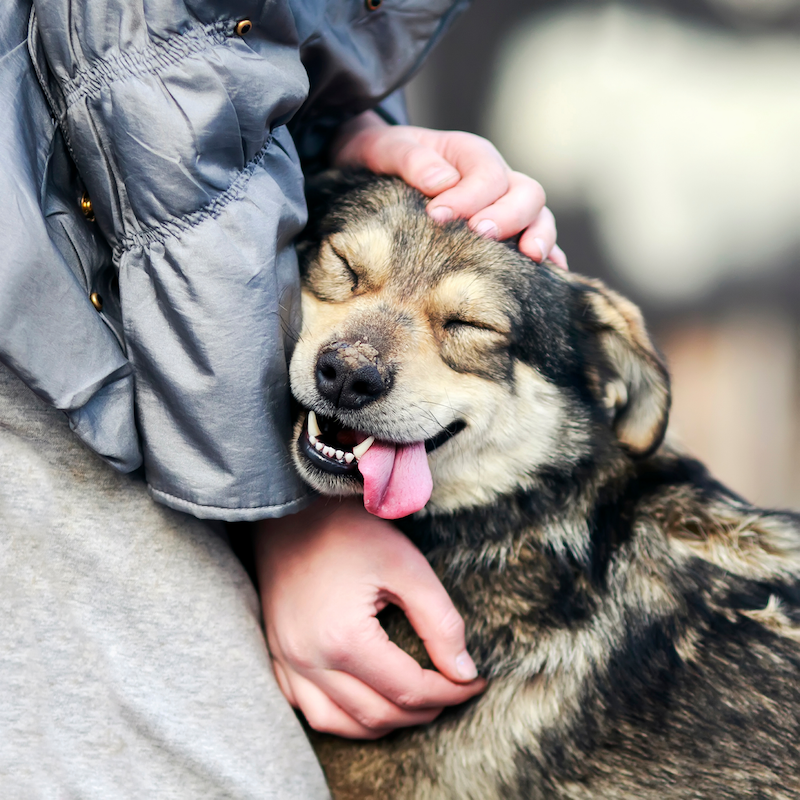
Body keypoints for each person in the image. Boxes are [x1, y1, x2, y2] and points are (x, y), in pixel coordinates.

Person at [0, 0, 565, 795]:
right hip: (55, 324)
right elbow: (147, 80)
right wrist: (294, 514)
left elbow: (215, 43)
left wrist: (349, 135)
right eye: (347, 268)